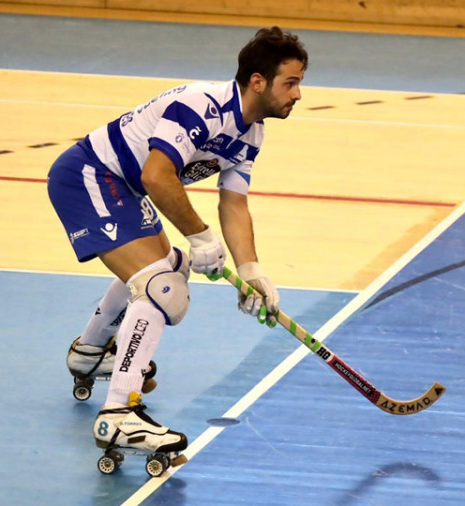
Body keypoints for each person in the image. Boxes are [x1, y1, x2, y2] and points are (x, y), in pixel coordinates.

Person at [47, 26, 308, 461]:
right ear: (258, 82)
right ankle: (118, 414)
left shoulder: (251, 134)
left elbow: (235, 205)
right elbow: (157, 175)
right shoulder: (201, 107)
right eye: (291, 82)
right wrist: (201, 236)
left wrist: (251, 272)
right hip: (89, 176)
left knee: (171, 263)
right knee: (161, 287)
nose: (298, 94)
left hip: (123, 188)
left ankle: (90, 351)